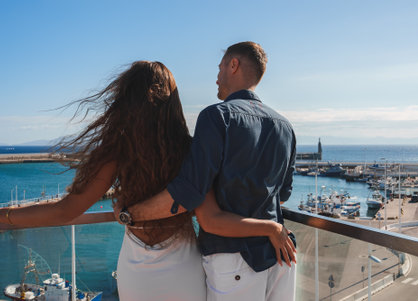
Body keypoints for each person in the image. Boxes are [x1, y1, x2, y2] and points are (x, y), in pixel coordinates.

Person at [0, 60, 294, 301]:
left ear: (126, 100)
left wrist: (8, 217)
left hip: (136, 268)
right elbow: (207, 212)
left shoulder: (117, 151)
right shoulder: (189, 148)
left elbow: (67, 210)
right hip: (186, 267)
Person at [124, 42, 297, 301]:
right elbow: (282, 195)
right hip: (281, 256)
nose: (216, 78)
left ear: (233, 65)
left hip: (235, 261)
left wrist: (130, 214)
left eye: (220, 68)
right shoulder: (285, 126)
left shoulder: (217, 117)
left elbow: (189, 193)